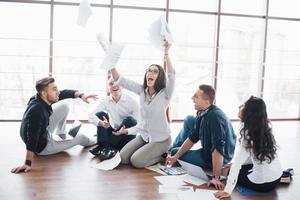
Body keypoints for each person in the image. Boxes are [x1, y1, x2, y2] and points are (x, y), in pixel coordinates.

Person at [11, 77, 98, 174]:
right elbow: (32, 138)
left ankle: (61, 134)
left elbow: (63, 93)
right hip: (42, 146)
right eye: (54, 89)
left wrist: (81, 95)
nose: (58, 92)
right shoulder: (37, 111)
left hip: (43, 130)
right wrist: (27, 163)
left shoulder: (38, 97)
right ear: (44, 93)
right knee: (81, 137)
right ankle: (97, 138)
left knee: (64, 106)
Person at [110, 42, 175, 168]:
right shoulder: (141, 91)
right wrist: (111, 64)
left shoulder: (165, 94)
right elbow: (120, 80)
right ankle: (147, 150)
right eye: (148, 71)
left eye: (155, 72)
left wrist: (166, 53)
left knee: (136, 161)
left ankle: (162, 155)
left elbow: (172, 75)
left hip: (161, 140)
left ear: (160, 77)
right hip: (145, 136)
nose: (150, 74)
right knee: (123, 158)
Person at [166, 84, 236, 189]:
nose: (192, 98)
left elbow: (218, 149)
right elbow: (193, 137)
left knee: (175, 151)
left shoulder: (214, 117)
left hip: (218, 156)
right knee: (176, 153)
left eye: (196, 96)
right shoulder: (202, 112)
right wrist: (176, 157)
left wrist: (216, 177)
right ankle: (173, 154)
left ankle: (220, 169)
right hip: (208, 150)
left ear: (206, 102)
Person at [214, 96, 282, 199]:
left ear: (250, 112)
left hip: (263, 184)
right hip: (277, 177)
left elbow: (237, 164)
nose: (240, 106)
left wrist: (227, 191)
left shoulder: (248, 134)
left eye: (244, 105)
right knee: (236, 166)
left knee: (228, 170)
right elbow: (255, 155)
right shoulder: (266, 127)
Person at [88, 77, 139, 154]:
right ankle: (105, 147)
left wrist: (125, 131)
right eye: (111, 83)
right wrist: (101, 123)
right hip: (114, 133)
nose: (114, 85)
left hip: (126, 135)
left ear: (122, 86)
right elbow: (91, 116)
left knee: (130, 120)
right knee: (100, 115)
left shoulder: (132, 101)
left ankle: (105, 147)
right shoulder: (106, 100)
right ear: (108, 88)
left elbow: (140, 125)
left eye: (117, 82)